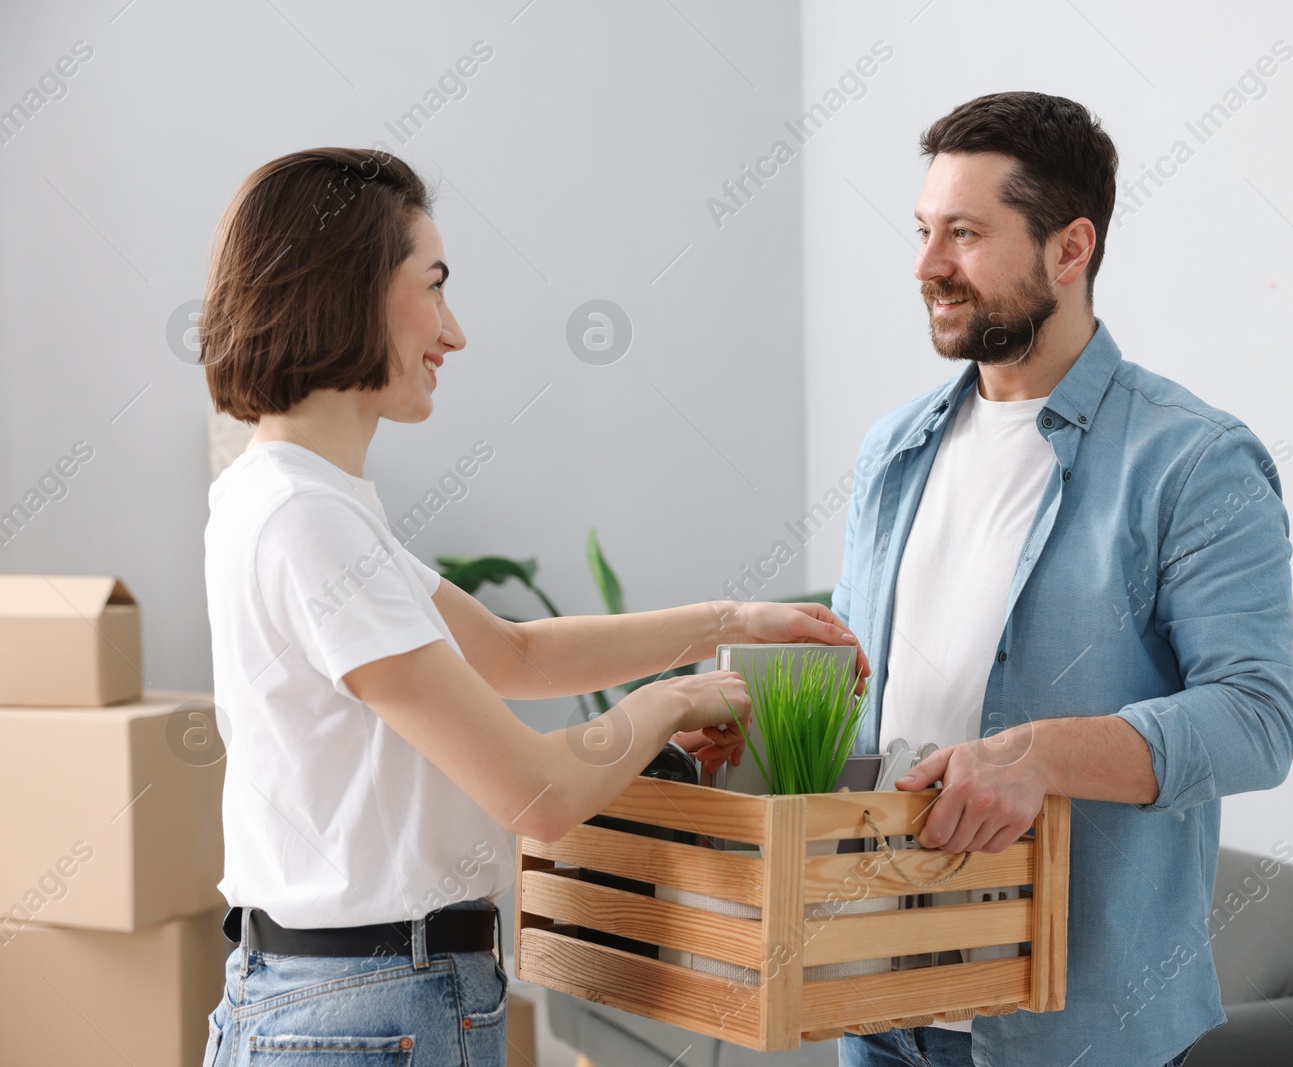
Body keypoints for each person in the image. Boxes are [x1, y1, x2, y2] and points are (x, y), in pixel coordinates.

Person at [197, 147, 864, 1066]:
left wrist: (732, 621)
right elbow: (537, 794)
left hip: (345, 1001)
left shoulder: (287, 495)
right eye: (433, 285)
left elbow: (513, 654)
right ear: (349, 288)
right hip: (372, 1009)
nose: (454, 332)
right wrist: (674, 700)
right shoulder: (311, 522)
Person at [832, 93, 1293, 1067]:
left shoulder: (1191, 461)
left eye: (963, 233)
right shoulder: (891, 452)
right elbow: (865, 698)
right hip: (882, 1008)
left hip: (1075, 1031)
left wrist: (1040, 754)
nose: (925, 266)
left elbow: (1253, 719)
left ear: (1068, 248)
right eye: (923, 230)